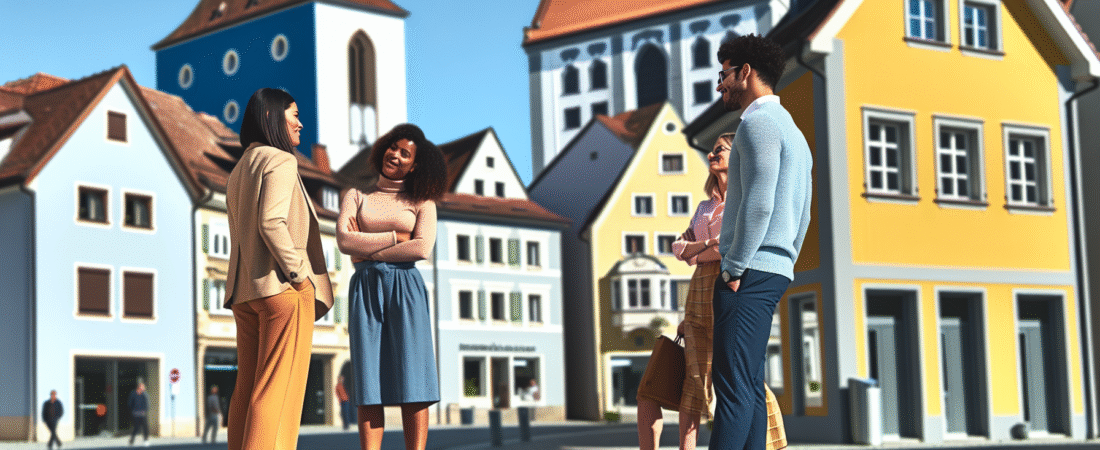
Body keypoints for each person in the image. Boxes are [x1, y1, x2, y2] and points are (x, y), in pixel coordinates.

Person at [710, 34, 813, 450]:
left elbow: (759, 203)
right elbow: (802, 215)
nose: (720, 85)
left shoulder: (757, 124)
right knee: (749, 386)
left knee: (733, 390)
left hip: (748, 272)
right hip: (772, 270)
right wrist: (784, 260)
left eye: (724, 74)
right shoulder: (795, 133)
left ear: (745, 73)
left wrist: (734, 266)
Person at [224, 87, 335, 450]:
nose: (301, 125)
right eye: (294, 116)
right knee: (277, 392)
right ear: (273, 118)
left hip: (244, 293)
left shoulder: (239, 168)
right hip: (281, 290)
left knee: (247, 389)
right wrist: (300, 276)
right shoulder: (281, 160)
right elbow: (272, 223)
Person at [337, 124, 447, 450]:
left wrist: (366, 249)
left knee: (414, 377)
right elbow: (344, 240)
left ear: (414, 165)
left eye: (405, 153)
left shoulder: (423, 202)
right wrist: (395, 238)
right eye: (392, 147)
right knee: (368, 381)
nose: (395, 155)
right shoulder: (356, 196)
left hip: (406, 289)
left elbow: (421, 248)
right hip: (366, 290)